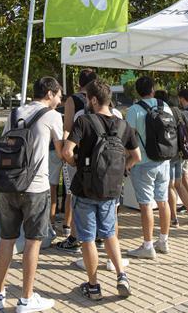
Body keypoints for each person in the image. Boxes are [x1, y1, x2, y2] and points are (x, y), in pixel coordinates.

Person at [62, 80, 139, 300]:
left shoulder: (84, 121)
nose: (86, 102)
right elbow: (136, 156)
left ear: (94, 100)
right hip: (111, 189)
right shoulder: (124, 125)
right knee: (109, 234)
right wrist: (123, 169)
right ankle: (121, 275)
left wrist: (76, 164)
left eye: (87, 98)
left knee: (87, 238)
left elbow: (67, 151)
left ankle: (94, 286)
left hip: (85, 189)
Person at [0, 77, 63, 313]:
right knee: (32, 242)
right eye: (59, 95)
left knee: (6, 240)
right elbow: (61, 152)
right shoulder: (53, 116)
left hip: (9, 185)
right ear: (50, 94)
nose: (60, 100)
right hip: (37, 188)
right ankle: (25, 299)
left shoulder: (14, 113)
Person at [125, 76, 172, 259]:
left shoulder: (134, 110)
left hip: (143, 162)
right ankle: (164, 241)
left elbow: (129, 137)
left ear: (137, 91)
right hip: (164, 160)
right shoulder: (164, 106)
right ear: (153, 89)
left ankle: (147, 245)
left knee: (145, 205)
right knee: (163, 201)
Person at [55, 68, 97, 253]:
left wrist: (65, 150)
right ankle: (97, 235)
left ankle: (70, 230)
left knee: (74, 191)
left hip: (78, 150)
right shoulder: (103, 98)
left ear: (79, 82)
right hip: (99, 153)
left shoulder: (74, 99)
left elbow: (67, 126)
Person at [154, 90, 188, 228]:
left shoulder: (159, 113)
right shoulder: (178, 112)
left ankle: (174, 218)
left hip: (167, 154)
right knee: (178, 185)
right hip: (179, 153)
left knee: (170, 186)